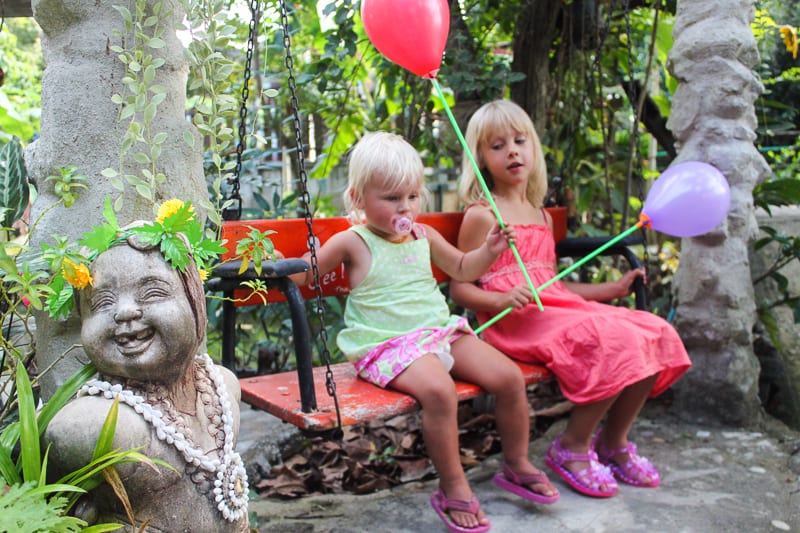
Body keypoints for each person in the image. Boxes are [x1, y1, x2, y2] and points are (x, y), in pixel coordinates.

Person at [290, 131, 559, 533]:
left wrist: (490, 249)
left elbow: (465, 269)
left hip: (436, 332)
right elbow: (304, 276)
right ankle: (453, 487)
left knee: (507, 377)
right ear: (359, 198)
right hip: (386, 344)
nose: (406, 207)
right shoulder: (353, 241)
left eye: (413, 196)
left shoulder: (424, 235)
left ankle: (517, 463)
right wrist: (280, 263)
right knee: (439, 391)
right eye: (392, 198)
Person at [450, 100, 692, 499]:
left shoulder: (540, 215)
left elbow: (554, 286)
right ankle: (573, 446)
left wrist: (611, 291)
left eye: (519, 140)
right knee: (610, 338)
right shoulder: (483, 216)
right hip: (514, 322)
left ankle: (613, 442)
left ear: (533, 149)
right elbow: (460, 287)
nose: (512, 151)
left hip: (555, 312)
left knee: (654, 330)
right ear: (480, 158)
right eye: (497, 146)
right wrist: (503, 299)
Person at [44, 228, 249, 532]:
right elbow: (57, 441)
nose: (125, 312)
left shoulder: (222, 387)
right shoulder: (107, 426)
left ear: (195, 301)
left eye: (152, 293)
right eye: (102, 302)